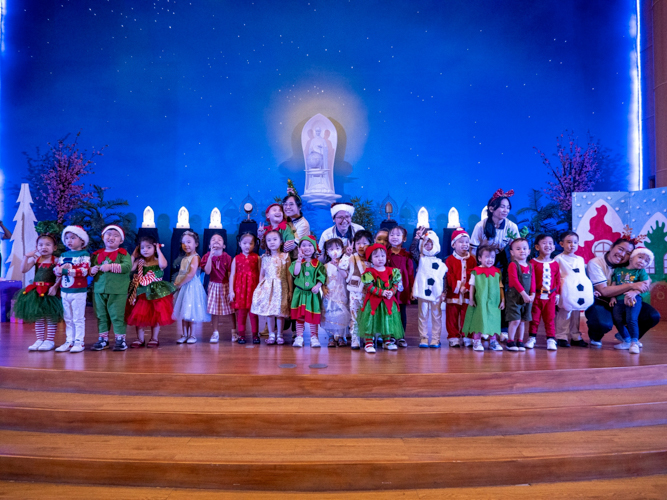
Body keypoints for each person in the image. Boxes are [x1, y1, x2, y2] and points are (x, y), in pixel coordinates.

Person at [585, 236, 660, 346]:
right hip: (602, 301)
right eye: (620, 249)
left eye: (628, 253)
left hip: (625, 300)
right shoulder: (595, 263)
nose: (622, 254)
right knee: (603, 323)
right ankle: (595, 336)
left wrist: (635, 291)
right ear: (611, 247)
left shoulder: (630, 264)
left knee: (652, 315)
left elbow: (646, 280)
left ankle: (627, 336)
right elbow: (604, 291)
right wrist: (632, 285)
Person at [13, 233, 63, 352]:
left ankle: (49, 340)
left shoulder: (56, 260)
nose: (43, 247)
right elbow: (23, 269)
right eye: (40, 245)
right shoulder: (37, 260)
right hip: (36, 291)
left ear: (54, 248)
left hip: (49, 291)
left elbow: (60, 275)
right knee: (39, 317)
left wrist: (56, 286)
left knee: (51, 316)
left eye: (47, 244)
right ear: (36, 247)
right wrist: (26, 257)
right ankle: (40, 339)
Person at [126, 235, 175, 348]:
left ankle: (154, 338)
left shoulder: (158, 261)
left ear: (154, 248)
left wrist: (158, 249)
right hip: (142, 292)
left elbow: (164, 265)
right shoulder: (140, 262)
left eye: (149, 247)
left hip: (156, 293)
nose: (145, 250)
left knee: (155, 316)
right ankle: (140, 338)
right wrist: (134, 255)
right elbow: (129, 268)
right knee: (139, 316)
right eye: (142, 248)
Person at [89, 225, 132, 352]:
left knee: (117, 315)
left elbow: (127, 267)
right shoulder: (97, 255)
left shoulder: (123, 254)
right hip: (99, 290)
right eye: (108, 234)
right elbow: (89, 269)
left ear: (121, 240)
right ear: (103, 237)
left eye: (115, 235)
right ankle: (103, 339)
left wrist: (111, 266)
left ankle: (120, 339)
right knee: (101, 315)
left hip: (117, 290)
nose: (111, 237)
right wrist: (92, 270)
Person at [358, 243, 405, 353]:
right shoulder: (369, 272)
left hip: (388, 301)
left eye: (382, 256)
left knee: (387, 320)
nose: (380, 259)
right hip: (373, 302)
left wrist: (391, 292)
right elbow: (369, 286)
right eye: (376, 256)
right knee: (370, 321)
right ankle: (369, 342)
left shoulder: (392, 271)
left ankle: (387, 341)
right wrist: (381, 292)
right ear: (371, 258)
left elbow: (395, 284)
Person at [251, 229, 292, 345]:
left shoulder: (285, 256)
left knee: (280, 312)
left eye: (275, 239)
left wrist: (290, 290)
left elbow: (288, 275)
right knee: (269, 311)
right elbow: (262, 274)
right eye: (269, 240)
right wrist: (261, 288)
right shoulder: (264, 257)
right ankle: (271, 334)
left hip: (281, 287)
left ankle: (279, 334)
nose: (272, 242)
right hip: (268, 287)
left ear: (281, 242)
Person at [53, 226, 90, 353]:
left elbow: (84, 271)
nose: (69, 241)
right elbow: (57, 269)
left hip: (78, 291)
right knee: (68, 317)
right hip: (65, 291)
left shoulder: (84, 255)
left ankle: (79, 341)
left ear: (82, 241)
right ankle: (69, 341)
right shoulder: (63, 255)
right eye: (67, 238)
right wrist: (58, 270)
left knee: (78, 317)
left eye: (73, 238)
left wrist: (66, 270)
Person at [609, 247, 654, 354]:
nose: (642, 261)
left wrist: (634, 293)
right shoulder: (618, 270)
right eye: (640, 257)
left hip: (634, 300)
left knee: (632, 319)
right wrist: (612, 296)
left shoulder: (641, 272)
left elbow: (645, 285)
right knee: (617, 319)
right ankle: (627, 340)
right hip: (618, 300)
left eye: (646, 261)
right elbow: (614, 284)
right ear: (631, 258)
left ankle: (634, 342)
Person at [462, 245, 505, 352]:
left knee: (494, 319)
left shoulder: (497, 272)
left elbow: (500, 286)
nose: (490, 260)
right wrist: (471, 299)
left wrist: (502, 299)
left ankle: (493, 341)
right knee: (479, 319)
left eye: (492, 257)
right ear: (480, 258)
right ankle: (476, 341)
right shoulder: (476, 271)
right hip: (480, 301)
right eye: (487, 257)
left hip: (494, 301)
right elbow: (472, 286)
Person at [554, 231, 593, 347]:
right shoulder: (558, 259)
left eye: (575, 242)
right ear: (562, 244)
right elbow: (557, 276)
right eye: (569, 242)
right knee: (565, 312)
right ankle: (561, 336)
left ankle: (575, 335)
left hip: (578, 291)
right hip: (565, 291)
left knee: (576, 313)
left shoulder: (580, 259)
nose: (572, 245)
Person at [410, 228, 447, 348]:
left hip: (436, 293)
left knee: (436, 316)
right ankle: (424, 338)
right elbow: (412, 251)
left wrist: (444, 292)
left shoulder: (441, 262)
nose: (428, 246)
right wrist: (417, 238)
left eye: (431, 243)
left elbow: (444, 278)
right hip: (422, 292)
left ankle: (436, 339)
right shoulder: (420, 259)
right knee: (423, 315)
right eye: (426, 243)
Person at [172, 230, 210, 344]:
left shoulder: (195, 257)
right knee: (184, 312)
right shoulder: (184, 258)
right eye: (183, 243)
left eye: (189, 242)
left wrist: (180, 283)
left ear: (196, 244)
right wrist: (176, 284)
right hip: (183, 287)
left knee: (191, 311)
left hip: (192, 287)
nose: (186, 245)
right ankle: (184, 334)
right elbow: (182, 273)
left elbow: (191, 274)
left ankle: (192, 335)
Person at [289, 235, 327, 348]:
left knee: (312, 317)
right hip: (299, 293)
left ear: (314, 248)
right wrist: (299, 260)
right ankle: (299, 336)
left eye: (310, 245)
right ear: (299, 248)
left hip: (312, 294)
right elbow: (295, 273)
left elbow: (322, 276)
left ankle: (314, 337)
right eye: (304, 245)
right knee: (299, 316)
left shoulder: (318, 264)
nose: (307, 247)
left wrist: (318, 285)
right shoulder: (297, 262)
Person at [526, 234, 560, 351]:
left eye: (550, 243)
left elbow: (557, 279)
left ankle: (551, 339)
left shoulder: (555, 263)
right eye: (544, 243)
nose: (548, 245)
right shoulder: (533, 263)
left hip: (551, 296)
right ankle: (532, 338)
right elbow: (531, 279)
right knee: (534, 318)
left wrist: (558, 294)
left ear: (554, 247)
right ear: (537, 247)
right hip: (536, 295)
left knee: (550, 318)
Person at [444, 229, 477, 348]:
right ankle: (453, 336)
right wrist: (458, 287)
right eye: (461, 242)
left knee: (467, 315)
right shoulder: (449, 260)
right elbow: (449, 275)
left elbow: (474, 274)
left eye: (467, 242)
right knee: (452, 315)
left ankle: (467, 335)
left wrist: (467, 286)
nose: (465, 245)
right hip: (454, 294)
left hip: (468, 294)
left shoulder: (472, 259)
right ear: (453, 244)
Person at [201, 233, 235, 343]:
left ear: (224, 246)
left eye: (219, 239)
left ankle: (234, 332)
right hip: (213, 285)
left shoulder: (228, 257)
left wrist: (231, 289)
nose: (216, 241)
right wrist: (210, 256)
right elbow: (207, 271)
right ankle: (215, 332)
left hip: (225, 285)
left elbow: (230, 275)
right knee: (214, 311)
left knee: (231, 310)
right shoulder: (206, 256)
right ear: (209, 245)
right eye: (213, 239)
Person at [229, 232, 261, 344]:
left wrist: (261, 289)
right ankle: (241, 335)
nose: (247, 246)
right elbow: (232, 274)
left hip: (253, 288)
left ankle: (255, 335)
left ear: (254, 245)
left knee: (253, 314)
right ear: (240, 244)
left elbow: (260, 273)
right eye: (245, 243)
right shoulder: (236, 258)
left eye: (250, 243)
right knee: (241, 313)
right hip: (240, 289)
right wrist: (231, 291)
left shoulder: (257, 258)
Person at [504, 238, 535, 352]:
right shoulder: (513, 265)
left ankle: (520, 340)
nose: (522, 251)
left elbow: (533, 281)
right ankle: (510, 341)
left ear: (529, 251)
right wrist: (524, 295)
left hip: (527, 298)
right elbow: (514, 281)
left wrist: (532, 294)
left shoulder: (530, 266)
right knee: (515, 319)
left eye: (524, 248)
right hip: (515, 297)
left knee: (523, 320)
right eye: (518, 249)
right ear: (512, 252)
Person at [320, 238, 351, 347]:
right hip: (330, 294)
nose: (334, 251)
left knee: (342, 313)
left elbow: (346, 276)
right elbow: (322, 280)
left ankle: (342, 337)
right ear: (327, 251)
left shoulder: (345, 264)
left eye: (337, 248)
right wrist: (323, 289)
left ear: (342, 250)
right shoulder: (325, 266)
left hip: (342, 292)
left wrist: (340, 266)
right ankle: (331, 337)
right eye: (331, 249)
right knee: (329, 314)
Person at [387, 226, 414, 343]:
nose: (394, 237)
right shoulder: (385, 254)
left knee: (401, 311)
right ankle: (391, 335)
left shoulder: (406, 255)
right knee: (391, 311)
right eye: (392, 234)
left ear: (404, 239)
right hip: (388, 287)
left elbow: (410, 272)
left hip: (403, 288)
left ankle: (401, 336)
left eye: (398, 235)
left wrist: (412, 289)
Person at [347, 230, 373, 350]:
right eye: (358, 243)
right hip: (355, 292)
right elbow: (343, 270)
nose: (361, 246)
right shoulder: (352, 257)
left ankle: (368, 338)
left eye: (364, 243)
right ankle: (355, 338)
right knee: (355, 315)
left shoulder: (373, 257)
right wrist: (346, 255)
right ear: (354, 245)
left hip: (370, 293)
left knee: (368, 315)